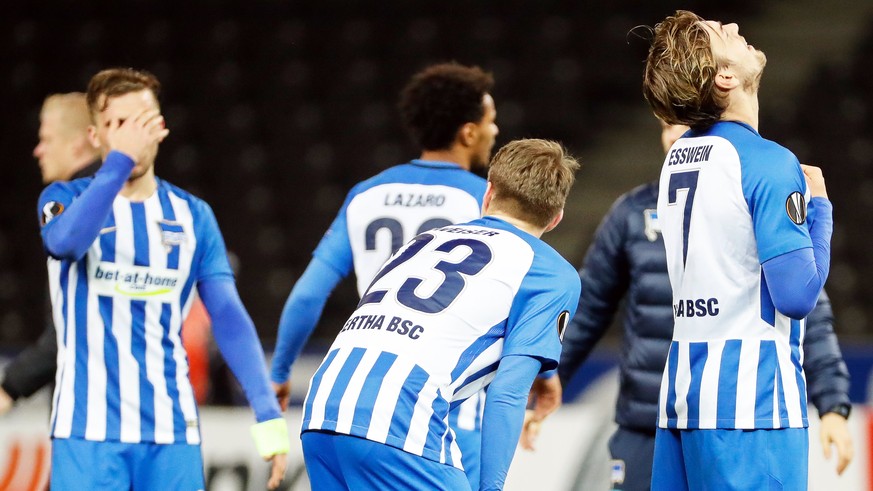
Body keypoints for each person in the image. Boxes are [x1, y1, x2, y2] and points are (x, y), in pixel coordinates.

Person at [555, 120, 853, 491]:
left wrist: (833, 405)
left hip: (727, 413)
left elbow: (808, 310)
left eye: (690, 124)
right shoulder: (632, 213)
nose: (678, 134)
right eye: (668, 125)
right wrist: (550, 376)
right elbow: (590, 307)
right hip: (648, 419)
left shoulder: (752, 199)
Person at [37, 68, 288, 490]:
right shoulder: (65, 199)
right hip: (88, 434)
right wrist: (118, 163)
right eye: (117, 124)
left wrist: (268, 418)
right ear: (95, 137)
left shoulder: (194, 216)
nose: (131, 136)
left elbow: (228, 317)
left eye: (141, 122)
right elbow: (65, 244)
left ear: (161, 129)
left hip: (172, 434)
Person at [300, 138, 580, 491]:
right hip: (397, 416)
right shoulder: (551, 271)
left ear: (488, 193)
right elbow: (508, 391)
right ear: (556, 219)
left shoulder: (425, 240)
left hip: (324, 404)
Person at [270, 61, 498, 487]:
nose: (495, 130)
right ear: (469, 132)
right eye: (491, 121)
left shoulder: (366, 193)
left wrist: (281, 372)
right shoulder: (483, 202)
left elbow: (306, 294)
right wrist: (544, 374)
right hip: (446, 405)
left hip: (359, 397)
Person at [641, 11, 834, 489]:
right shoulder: (767, 161)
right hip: (753, 407)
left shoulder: (677, 157)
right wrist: (821, 212)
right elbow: (797, 295)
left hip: (683, 399)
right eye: (719, 34)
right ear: (725, 78)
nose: (731, 26)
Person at [0, 93, 102, 415]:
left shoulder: (72, 206)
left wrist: (10, 386)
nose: (38, 150)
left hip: (88, 411)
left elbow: (74, 325)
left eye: (46, 139)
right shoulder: (121, 197)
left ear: (78, 143)